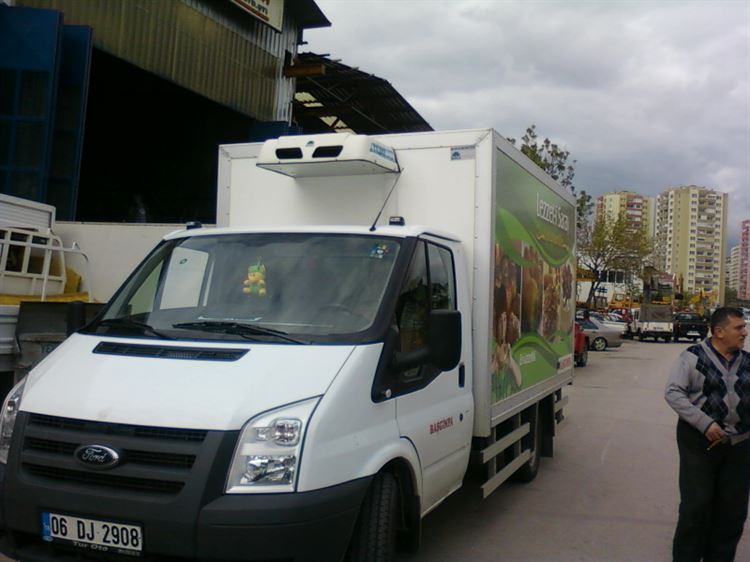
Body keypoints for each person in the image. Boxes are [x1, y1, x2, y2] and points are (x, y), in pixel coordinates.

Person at [665, 306, 750, 562]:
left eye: (744, 327)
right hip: (698, 443)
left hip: (739, 444)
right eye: (739, 328)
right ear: (719, 332)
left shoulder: (747, 361)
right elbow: (673, 393)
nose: (744, 332)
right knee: (696, 506)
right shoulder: (692, 357)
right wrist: (704, 423)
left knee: (732, 511)